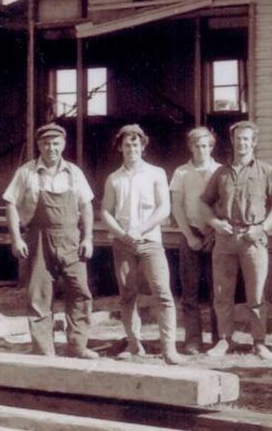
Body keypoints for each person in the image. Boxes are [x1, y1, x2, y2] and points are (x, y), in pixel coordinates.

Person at [3, 123, 97, 359]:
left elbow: (86, 205)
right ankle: (44, 350)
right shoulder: (27, 172)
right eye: (46, 143)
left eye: (56, 143)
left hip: (71, 239)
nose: (51, 148)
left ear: (63, 145)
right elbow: (11, 203)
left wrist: (87, 237)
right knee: (39, 294)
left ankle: (78, 346)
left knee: (80, 292)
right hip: (39, 239)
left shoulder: (74, 172)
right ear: (39, 145)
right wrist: (16, 238)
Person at [200, 121, 272, 360]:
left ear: (254, 142)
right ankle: (225, 340)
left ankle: (259, 342)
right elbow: (204, 203)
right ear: (232, 141)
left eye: (246, 139)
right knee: (222, 293)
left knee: (256, 294)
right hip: (225, 239)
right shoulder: (221, 173)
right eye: (238, 139)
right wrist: (216, 223)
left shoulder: (267, 171)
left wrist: (263, 228)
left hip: (253, 239)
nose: (242, 143)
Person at [101, 124, 184, 365]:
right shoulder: (114, 179)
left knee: (163, 293)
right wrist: (121, 233)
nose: (131, 149)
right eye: (127, 144)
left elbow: (164, 209)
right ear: (120, 148)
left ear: (143, 146)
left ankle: (169, 349)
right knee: (127, 295)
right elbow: (106, 211)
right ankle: (134, 344)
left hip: (150, 242)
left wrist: (140, 229)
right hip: (123, 243)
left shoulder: (156, 173)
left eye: (136, 144)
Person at [169, 127, 220, 355]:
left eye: (207, 146)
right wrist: (189, 236)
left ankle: (220, 339)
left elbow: (223, 203)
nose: (203, 150)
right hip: (190, 234)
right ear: (190, 147)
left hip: (215, 234)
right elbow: (177, 207)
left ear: (212, 147)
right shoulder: (181, 172)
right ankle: (192, 339)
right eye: (198, 146)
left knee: (217, 290)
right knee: (190, 291)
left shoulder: (220, 170)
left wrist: (214, 231)